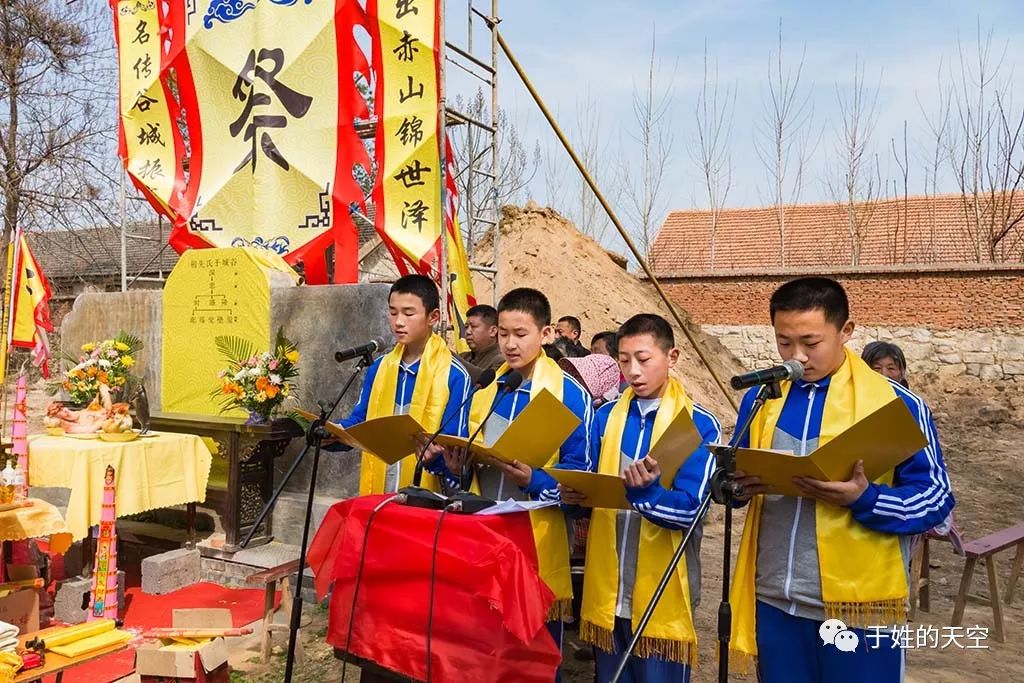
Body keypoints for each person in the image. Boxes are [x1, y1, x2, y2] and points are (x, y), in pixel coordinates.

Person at [730, 277, 955, 683]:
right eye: (783, 342)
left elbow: (936, 499)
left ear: (846, 331)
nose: (796, 356)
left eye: (810, 343)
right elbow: (735, 468)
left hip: (860, 610)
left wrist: (865, 498)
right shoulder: (763, 397)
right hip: (774, 599)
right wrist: (736, 487)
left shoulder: (895, 403)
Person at [426, 287, 592, 680]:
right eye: (503, 334)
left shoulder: (570, 396)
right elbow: (465, 476)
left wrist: (536, 480)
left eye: (521, 334)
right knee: (485, 650)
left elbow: (581, 480)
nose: (510, 344)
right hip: (487, 535)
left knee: (534, 653)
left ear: (546, 334)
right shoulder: (489, 392)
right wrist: (455, 463)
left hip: (535, 541)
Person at [561, 314, 720, 683]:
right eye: (623, 359)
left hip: (663, 585)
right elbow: (589, 485)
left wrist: (646, 493)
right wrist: (574, 495)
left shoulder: (696, 423)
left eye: (644, 359)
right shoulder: (604, 417)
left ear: (672, 356)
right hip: (608, 585)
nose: (633, 370)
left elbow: (691, 511)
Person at [334, 274, 471, 495]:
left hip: (427, 500)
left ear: (433, 317)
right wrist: (334, 434)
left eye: (409, 313)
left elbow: (454, 447)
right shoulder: (380, 367)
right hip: (380, 495)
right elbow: (361, 422)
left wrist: (434, 458)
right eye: (393, 312)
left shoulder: (454, 375)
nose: (398, 322)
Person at [459, 304, 504, 382]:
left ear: (493, 331)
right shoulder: (463, 357)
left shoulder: (501, 359)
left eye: (473, 326)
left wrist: (453, 357)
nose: (468, 332)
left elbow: (483, 381)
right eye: (466, 327)